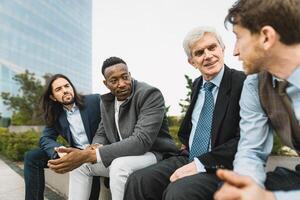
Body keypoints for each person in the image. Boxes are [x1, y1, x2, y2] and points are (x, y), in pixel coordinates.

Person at [123, 26, 246, 200]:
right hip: (188, 156)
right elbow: (196, 123)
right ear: (192, 61)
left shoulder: (243, 83)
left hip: (221, 165)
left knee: (179, 191)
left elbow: (246, 139)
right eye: (199, 52)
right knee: (138, 180)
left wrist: (202, 163)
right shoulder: (197, 85)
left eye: (212, 47)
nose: (208, 55)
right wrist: (188, 145)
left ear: (222, 49)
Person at [47, 56, 178, 200]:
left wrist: (89, 155)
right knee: (80, 165)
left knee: (118, 165)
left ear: (130, 74)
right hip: (124, 155)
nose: (121, 84)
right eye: (114, 81)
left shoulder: (149, 94)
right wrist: (92, 148)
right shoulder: (106, 102)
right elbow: (102, 131)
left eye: (125, 77)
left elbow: (141, 141)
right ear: (106, 83)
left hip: (154, 154)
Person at [214, 0, 300, 200]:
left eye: (238, 38)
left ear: (266, 37)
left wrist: (270, 199)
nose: (235, 51)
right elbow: (251, 150)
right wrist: (246, 189)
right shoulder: (254, 85)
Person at [24, 74, 101, 200]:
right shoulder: (56, 114)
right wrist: (59, 151)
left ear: (72, 88)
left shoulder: (94, 101)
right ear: (53, 97)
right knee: (32, 157)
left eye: (67, 86)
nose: (65, 90)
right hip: (74, 153)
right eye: (58, 89)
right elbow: (45, 138)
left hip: (96, 152)